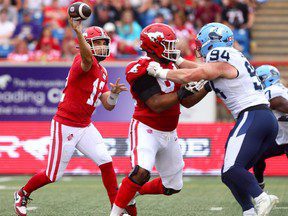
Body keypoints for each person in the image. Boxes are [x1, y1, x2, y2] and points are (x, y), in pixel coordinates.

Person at [147, 22, 279, 216]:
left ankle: (261, 197)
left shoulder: (221, 55)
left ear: (213, 41)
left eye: (202, 43)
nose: (199, 47)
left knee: (233, 169)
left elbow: (196, 73)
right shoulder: (228, 59)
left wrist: (163, 72)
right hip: (262, 119)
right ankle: (249, 211)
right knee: (228, 174)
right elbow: (201, 70)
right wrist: (179, 59)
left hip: (252, 115)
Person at [14, 17, 129, 216]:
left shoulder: (102, 71)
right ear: (87, 44)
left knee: (106, 161)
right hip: (65, 124)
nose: (103, 46)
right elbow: (86, 60)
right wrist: (77, 32)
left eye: (104, 43)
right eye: (98, 43)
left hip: (84, 125)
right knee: (52, 174)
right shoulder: (82, 60)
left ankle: (116, 208)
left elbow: (108, 105)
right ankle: (22, 193)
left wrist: (116, 94)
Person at [110, 23, 210, 216]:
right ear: (155, 46)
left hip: (169, 131)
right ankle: (115, 213)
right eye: (168, 45)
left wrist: (207, 86)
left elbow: (187, 102)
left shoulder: (171, 63)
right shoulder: (140, 68)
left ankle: (132, 189)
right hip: (146, 127)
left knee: (173, 186)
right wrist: (181, 92)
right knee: (142, 171)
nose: (173, 49)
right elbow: (156, 103)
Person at [253, 65, 288, 189]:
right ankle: (259, 185)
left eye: (259, 79)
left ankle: (258, 185)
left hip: (285, 137)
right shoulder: (280, 89)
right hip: (280, 138)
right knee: (257, 154)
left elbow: (283, 105)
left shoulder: (272, 91)